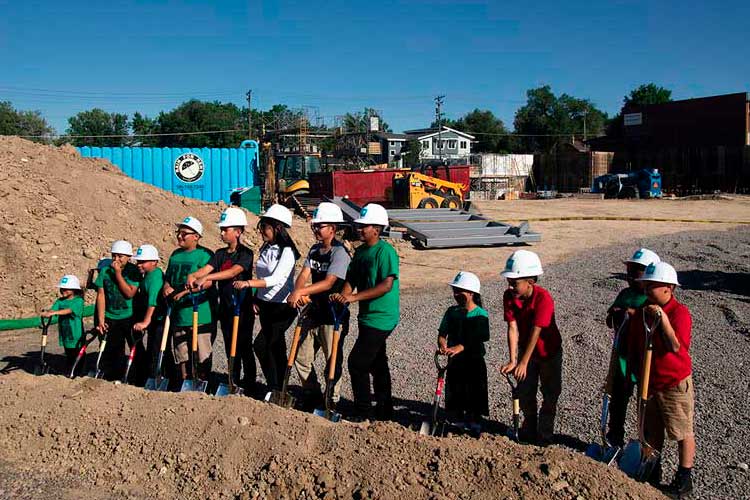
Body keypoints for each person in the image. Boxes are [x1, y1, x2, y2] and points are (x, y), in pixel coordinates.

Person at [628, 262, 695, 498]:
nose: (646, 290)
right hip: (649, 383)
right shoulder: (644, 310)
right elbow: (636, 344)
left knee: (681, 431)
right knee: (650, 432)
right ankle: (652, 472)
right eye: (645, 286)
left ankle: (684, 479)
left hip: (674, 383)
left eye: (652, 286)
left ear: (668, 288)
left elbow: (675, 346)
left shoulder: (679, 313)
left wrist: (663, 320)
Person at [331, 203, 399, 420]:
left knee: (357, 363)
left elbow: (386, 285)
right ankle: (384, 409)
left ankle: (362, 411)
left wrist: (354, 297)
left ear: (377, 229)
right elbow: (352, 280)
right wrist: (343, 296)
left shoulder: (385, 252)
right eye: (359, 226)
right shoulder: (360, 253)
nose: (359, 229)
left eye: (364, 226)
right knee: (378, 362)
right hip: (367, 316)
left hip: (383, 317)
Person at [288, 202, 352, 411]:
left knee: (331, 360)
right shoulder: (314, 250)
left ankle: (332, 399)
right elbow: (304, 275)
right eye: (314, 226)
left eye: (320, 226)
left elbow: (329, 282)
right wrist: (298, 291)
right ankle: (312, 393)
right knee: (301, 356)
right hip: (314, 311)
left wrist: (302, 292)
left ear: (332, 228)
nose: (316, 229)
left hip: (333, 314)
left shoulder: (339, 252)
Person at [188, 207, 255, 394]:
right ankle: (233, 378)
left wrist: (208, 278)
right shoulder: (219, 254)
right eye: (222, 229)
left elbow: (233, 272)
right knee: (228, 345)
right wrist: (194, 275)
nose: (222, 232)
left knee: (243, 345)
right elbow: (206, 269)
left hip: (242, 309)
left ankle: (249, 383)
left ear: (238, 232)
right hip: (225, 308)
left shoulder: (246, 254)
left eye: (226, 229)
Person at [499, 250, 562, 445]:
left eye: (514, 282)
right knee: (526, 392)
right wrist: (513, 360)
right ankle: (529, 428)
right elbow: (512, 327)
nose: (510, 286)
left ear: (530, 281)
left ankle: (544, 434)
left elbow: (537, 331)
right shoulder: (509, 297)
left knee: (550, 393)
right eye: (509, 281)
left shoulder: (544, 299)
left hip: (548, 352)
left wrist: (523, 362)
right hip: (527, 351)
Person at [234, 204, 299, 392]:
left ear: (277, 228)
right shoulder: (266, 248)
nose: (261, 231)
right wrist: (256, 297)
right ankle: (279, 388)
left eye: (265, 227)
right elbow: (262, 274)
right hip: (266, 305)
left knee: (262, 345)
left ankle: (274, 386)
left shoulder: (287, 252)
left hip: (283, 307)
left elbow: (275, 279)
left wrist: (248, 284)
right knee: (277, 348)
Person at [604, 248, 660, 448]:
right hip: (622, 357)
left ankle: (646, 443)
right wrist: (615, 315)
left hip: (644, 358)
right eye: (629, 270)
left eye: (634, 271)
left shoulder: (652, 299)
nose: (629, 275)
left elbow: (655, 323)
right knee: (618, 399)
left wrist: (634, 314)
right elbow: (611, 321)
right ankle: (614, 437)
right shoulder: (625, 294)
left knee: (644, 402)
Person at [162, 217, 214, 387]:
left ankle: (203, 383)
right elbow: (168, 277)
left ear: (196, 236)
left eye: (184, 233)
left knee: (201, 353)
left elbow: (207, 283)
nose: (179, 236)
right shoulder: (175, 255)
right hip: (178, 314)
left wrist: (185, 292)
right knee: (181, 352)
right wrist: (167, 287)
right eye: (179, 233)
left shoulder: (205, 255)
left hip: (198, 312)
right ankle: (184, 383)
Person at [437, 271, 489, 435]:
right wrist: (442, 344)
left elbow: (481, 336)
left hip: (474, 360)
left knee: (475, 390)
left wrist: (461, 347)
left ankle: (475, 421)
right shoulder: (451, 312)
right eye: (455, 291)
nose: (456, 294)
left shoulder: (480, 315)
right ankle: (457, 420)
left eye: (460, 291)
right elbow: (442, 333)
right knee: (456, 389)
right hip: (455, 360)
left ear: (472, 293)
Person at [94, 240, 141, 380]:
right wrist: (101, 319)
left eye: (120, 256)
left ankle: (138, 376)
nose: (116, 259)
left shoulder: (133, 271)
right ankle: (114, 377)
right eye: (114, 256)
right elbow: (101, 295)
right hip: (111, 315)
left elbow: (129, 293)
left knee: (135, 347)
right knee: (113, 348)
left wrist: (118, 274)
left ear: (128, 257)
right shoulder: (105, 271)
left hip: (129, 315)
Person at [132, 244, 165, 386]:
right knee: (151, 348)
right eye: (138, 261)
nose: (139, 265)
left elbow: (153, 301)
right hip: (153, 319)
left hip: (159, 319)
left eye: (142, 262)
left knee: (156, 350)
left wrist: (145, 322)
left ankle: (156, 377)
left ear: (154, 262)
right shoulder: (147, 275)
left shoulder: (155, 277)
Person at [41, 275, 85, 376]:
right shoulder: (60, 301)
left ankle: (78, 372)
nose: (63, 290)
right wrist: (47, 313)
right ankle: (70, 371)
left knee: (77, 354)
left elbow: (69, 310)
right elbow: (53, 309)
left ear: (74, 289)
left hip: (76, 335)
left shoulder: (78, 301)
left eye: (66, 289)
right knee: (69, 353)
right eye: (62, 288)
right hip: (65, 334)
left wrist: (54, 313)